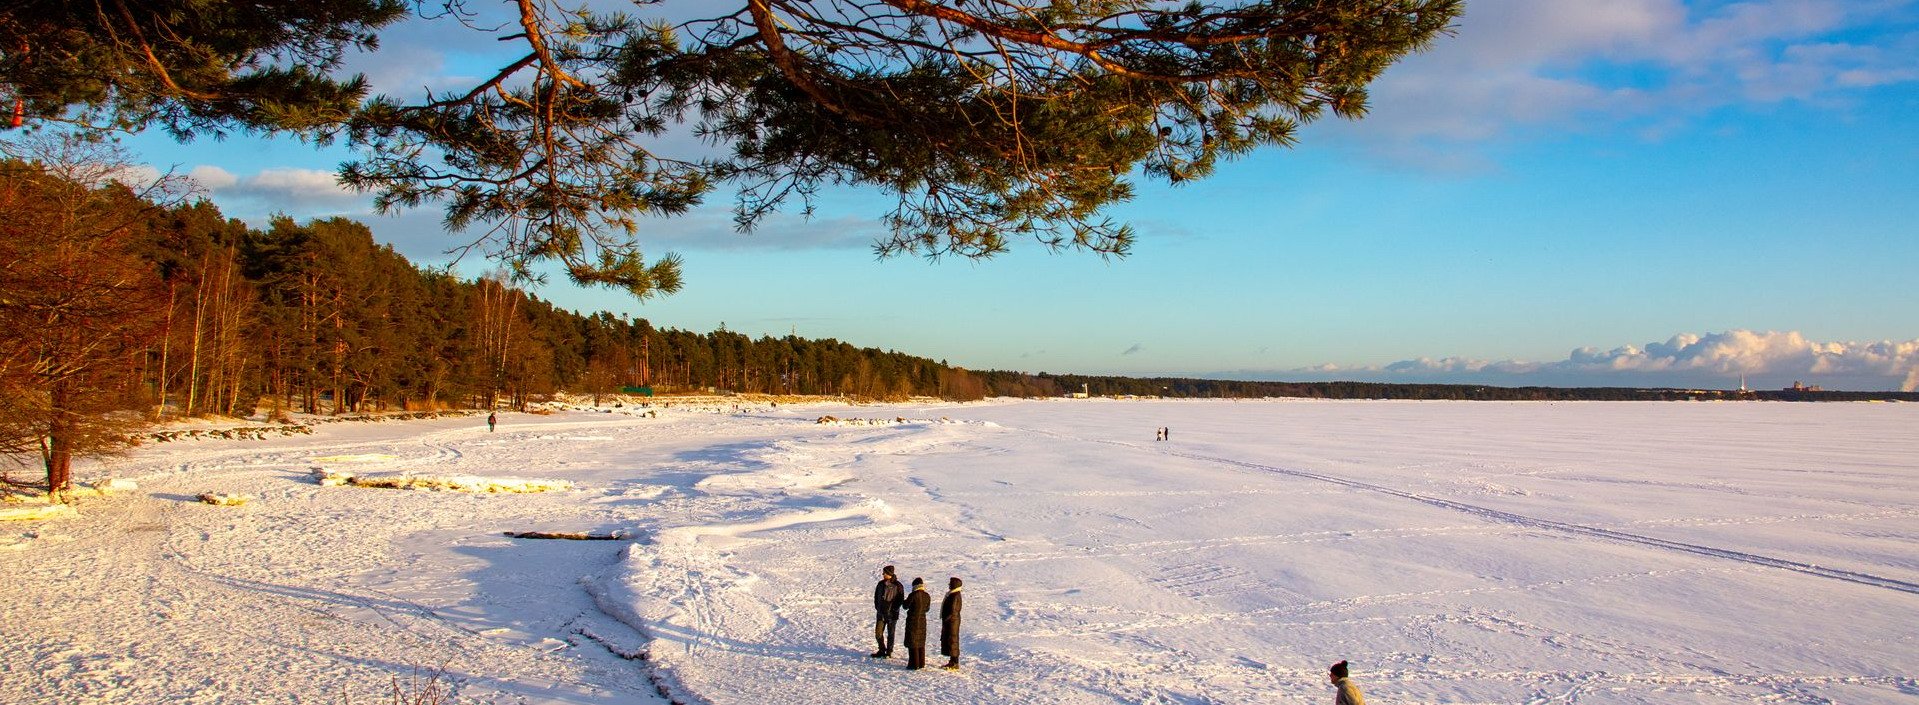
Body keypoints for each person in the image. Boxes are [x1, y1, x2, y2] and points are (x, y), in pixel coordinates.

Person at [870, 565, 904, 658]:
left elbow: (900, 599)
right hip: (880, 613)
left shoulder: (898, 585)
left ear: (889, 574)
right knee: (878, 633)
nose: (883, 574)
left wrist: (893, 609)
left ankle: (889, 651)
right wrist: (878, 607)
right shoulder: (880, 584)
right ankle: (881, 649)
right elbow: (876, 596)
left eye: (884, 573)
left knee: (891, 633)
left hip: (892, 614)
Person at [902, 577, 931, 669]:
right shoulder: (927, 595)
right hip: (922, 621)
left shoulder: (913, 595)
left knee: (913, 642)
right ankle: (921, 663)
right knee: (921, 643)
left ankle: (913, 664)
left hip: (913, 621)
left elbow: (905, 606)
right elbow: (927, 609)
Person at [939, 576, 963, 669]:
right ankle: (952, 661)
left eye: (950, 583)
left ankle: (955, 662)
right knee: (952, 641)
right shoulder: (953, 594)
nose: (949, 585)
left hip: (952, 622)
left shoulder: (954, 595)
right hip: (953, 621)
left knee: (952, 641)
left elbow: (952, 610)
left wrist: (946, 619)